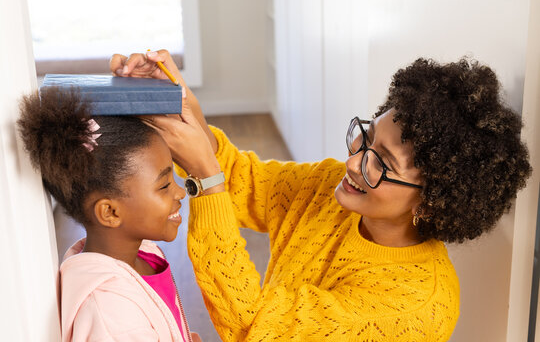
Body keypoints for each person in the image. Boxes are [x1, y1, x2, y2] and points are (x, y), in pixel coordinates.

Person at [111, 51, 532, 341]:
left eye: (381, 163)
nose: (353, 163)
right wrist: (186, 110)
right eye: (365, 136)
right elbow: (248, 182)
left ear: (432, 201)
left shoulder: (415, 307)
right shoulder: (332, 190)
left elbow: (253, 325)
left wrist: (206, 176)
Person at [17, 87, 203, 342]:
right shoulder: (110, 314)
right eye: (164, 185)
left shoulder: (146, 255)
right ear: (110, 212)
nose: (181, 192)